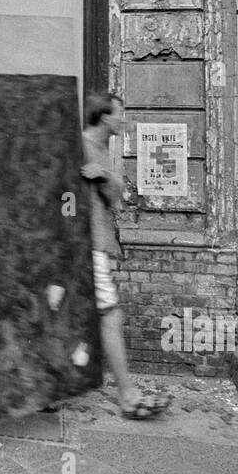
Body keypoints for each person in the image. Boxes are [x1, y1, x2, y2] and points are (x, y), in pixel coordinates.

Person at [81, 91, 171, 420]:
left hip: (96, 244)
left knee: (87, 317)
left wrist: (104, 176)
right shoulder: (79, 146)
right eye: (120, 112)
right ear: (105, 117)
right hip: (85, 247)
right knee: (110, 315)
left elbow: (115, 196)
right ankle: (128, 395)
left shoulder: (103, 151)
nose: (124, 118)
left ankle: (53, 390)